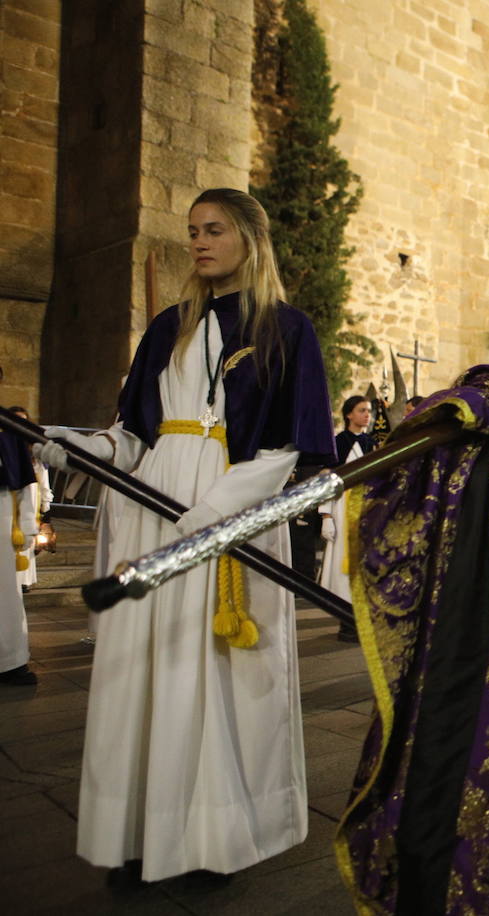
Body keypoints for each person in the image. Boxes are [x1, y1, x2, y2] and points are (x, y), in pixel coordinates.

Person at [38, 188, 335, 885]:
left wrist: (219, 511)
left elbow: (296, 447)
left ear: (251, 240)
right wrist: (77, 449)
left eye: (216, 231)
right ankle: (141, 834)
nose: (201, 243)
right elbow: (134, 438)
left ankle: (211, 837)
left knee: (216, 675)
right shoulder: (167, 327)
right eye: (194, 231)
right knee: (146, 668)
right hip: (153, 511)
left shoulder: (286, 329)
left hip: (232, 516)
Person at [319, 394, 375, 642]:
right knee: (341, 562)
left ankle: (361, 618)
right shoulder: (338, 443)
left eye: (369, 411)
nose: (367, 415)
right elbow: (327, 483)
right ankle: (345, 618)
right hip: (342, 508)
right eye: (362, 410)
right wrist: (326, 515)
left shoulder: (370, 443)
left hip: (364, 509)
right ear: (349, 414)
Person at [1, 367, 39, 686]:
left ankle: (10, 661)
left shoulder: (8, 426)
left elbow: (25, 482)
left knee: (5, 591)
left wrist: (28, 524)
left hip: (0, 513)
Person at [8, 407, 51, 593]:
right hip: (8, 504)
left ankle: (23, 581)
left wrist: (47, 516)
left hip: (30, 503)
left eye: (23, 421)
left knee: (25, 542)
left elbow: (44, 485)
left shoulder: (34, 452)